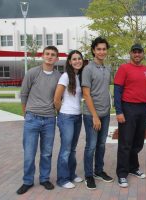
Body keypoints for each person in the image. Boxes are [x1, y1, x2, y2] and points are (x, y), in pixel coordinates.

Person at [17, 46, 61, 195]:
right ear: (42, 56)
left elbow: (59, 97)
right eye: (47, 54)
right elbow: (24, 94)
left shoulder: (58, 76)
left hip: (49, 119)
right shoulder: (32, 73)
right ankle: (27, 181)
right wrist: (26, 113)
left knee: (47, 153)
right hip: (32, 118)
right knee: (29, 153)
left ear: (57, 58)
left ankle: (44, 179)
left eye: (53, 55)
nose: (49, 57)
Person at [114, 43, 146, 188]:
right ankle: (122, 173)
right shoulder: (124, 68)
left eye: (139, 52)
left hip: (143, 108)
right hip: (128, 108)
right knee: (126, 142)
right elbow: (117, 91)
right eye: (134, 52)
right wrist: (119, 111)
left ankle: (133, 168)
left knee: (138, 141)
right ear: (130, 53)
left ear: (143, 54)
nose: (137, 54)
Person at [81, 37, 113, 190]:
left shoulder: (107, 69)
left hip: (105, 113)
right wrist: (94, 116)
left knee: (101, 144)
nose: (101, 52)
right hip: (91, 115)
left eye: (104, 49)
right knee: (91, 145)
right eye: (98, 49)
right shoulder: (88, 69)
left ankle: (99, 171)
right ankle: (88, 175)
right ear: (93, 50)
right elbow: (86, 94)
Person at [54, 50, 86, 189]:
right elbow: (56, 99)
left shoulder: (79, 76)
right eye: (74, 59)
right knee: (66, 149)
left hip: (78, 116)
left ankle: (72, 174)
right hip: (66, 116)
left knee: (72, 149)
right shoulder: (66, 76)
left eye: (79, 58)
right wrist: (62, 113)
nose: (77, 61)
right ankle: (62, 179)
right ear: (69, 61)